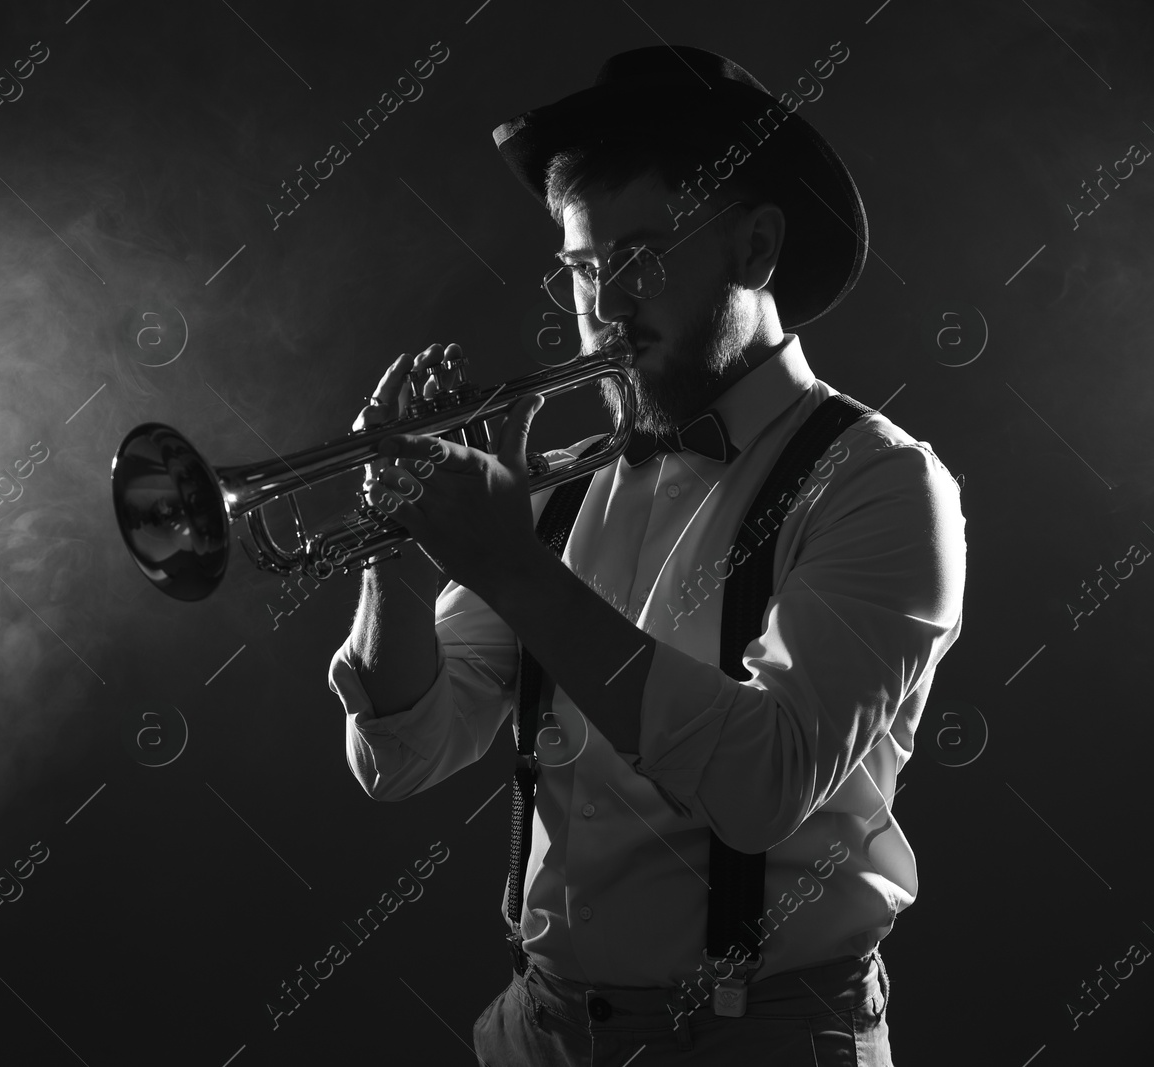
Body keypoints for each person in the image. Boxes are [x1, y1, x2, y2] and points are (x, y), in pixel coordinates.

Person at [326, 45, 966, 1065]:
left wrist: (513, 568)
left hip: (761, 1039)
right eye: (584, 270)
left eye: (641, 259)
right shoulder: (566, 484)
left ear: (755, 247)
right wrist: (395, 559)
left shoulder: (882, 484)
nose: (605, 309)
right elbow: (400, 756)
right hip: (538, 1031)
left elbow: (764, 781)